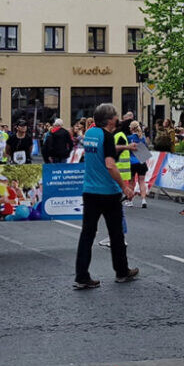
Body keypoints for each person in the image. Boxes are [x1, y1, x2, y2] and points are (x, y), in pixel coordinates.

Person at [73, 102, 138, 290]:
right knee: (116, 234)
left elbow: (103, 149)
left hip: (89, 191)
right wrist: (125, 187)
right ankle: (122, 272)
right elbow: (110, 164)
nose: (117, 119)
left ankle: (82, 276)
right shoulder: (108, 137)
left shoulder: (90, 134)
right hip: (108, 192)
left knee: (87, 234)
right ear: (110, 120)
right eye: (116, 116)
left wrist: (126, 147)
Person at [126, 123, 150, 208]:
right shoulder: (142, 138)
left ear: (132, 128)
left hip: (132, 162)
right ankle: (143, 200)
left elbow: (127, 149)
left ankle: (130, 201)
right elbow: (145, 149)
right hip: (141, 161)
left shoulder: (129, 138)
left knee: (131, 182)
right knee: (142, 181)